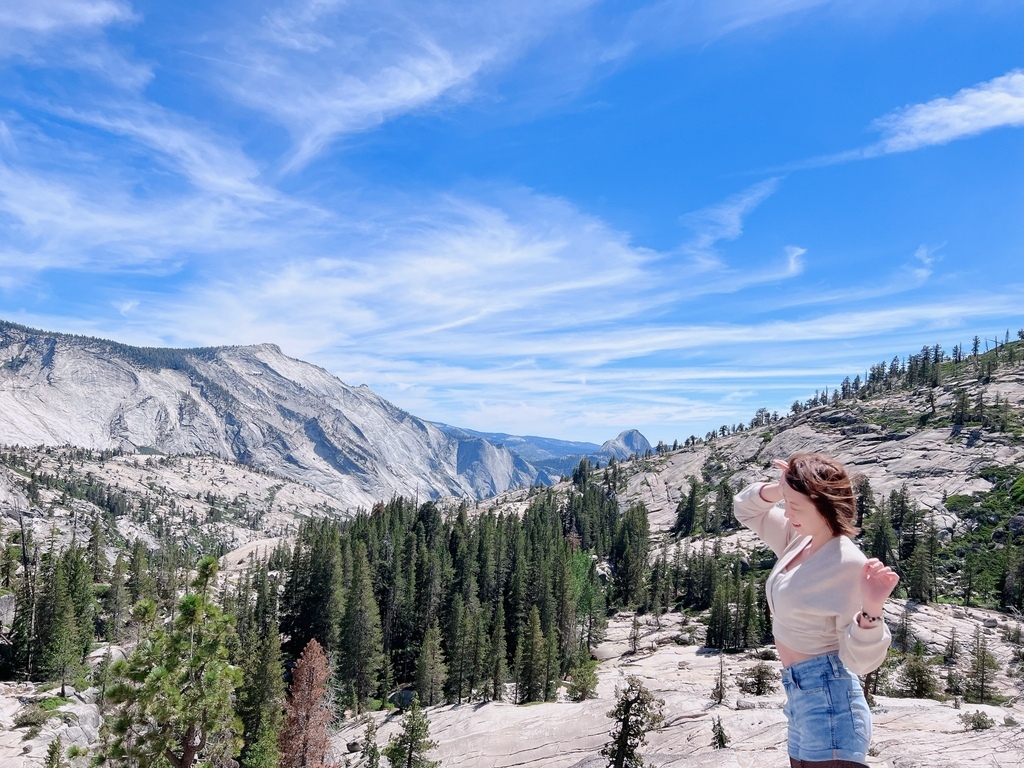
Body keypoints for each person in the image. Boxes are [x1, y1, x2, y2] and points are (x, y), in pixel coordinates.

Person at [734, 453, 899, 768]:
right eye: (787, 503)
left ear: (825, 506)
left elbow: (860, 662)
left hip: (830, 700)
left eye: (795, 505)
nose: (787, 511)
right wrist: (780, 489)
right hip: (799, 696)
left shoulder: (847, 562)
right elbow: (745, 507)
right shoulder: (801, 538)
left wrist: (872, 609)